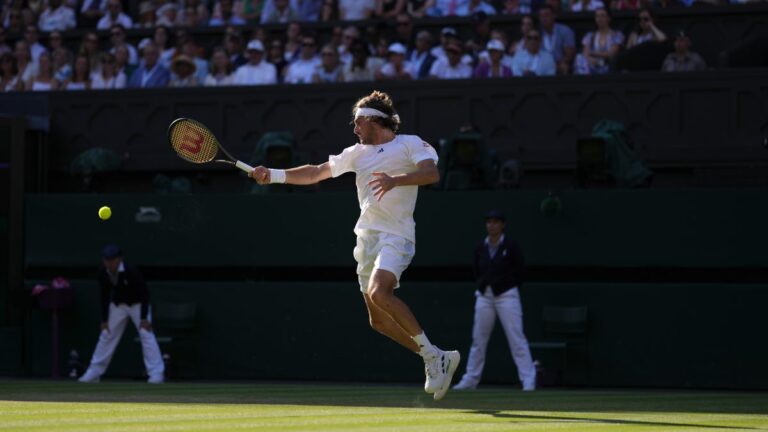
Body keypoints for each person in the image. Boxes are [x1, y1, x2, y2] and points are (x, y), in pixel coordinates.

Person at [248, 91, 461, 401]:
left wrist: (394, 180)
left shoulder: (411, 143)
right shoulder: (356, 152)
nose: (354, 129)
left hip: (396, 235)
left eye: (358, 122)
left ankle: (432, 356)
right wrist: (275, 175)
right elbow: (316, 171)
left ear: (373, 120)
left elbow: (431, 173)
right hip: (367, 238)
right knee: (378, 321)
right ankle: (435, 355)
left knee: (379, 292)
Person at [453, 211, 536, 391]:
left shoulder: (511, 246)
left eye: (495, 222)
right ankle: (471, 379)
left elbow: (520, 270)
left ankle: (528, 379)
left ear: (502, 225)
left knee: (517, 339)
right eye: (489, 222)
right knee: (478, 340)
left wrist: (508, 287)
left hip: (507, 296)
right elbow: (476, 269)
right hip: (484, 296)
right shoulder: (480, 247)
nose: (491, 225)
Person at [79, 245, 165, 384]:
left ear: (119, 259)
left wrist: (144, 318)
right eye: (106, 260)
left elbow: (144, 294)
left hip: (138, 305)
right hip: (118, 305)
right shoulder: (102, 272)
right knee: (106, 334)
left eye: (112, 260)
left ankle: (156, 373)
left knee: (146, 334)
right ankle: (94, 372)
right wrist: (104, 319)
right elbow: (104, 296)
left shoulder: (132, 271)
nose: (109, 263)